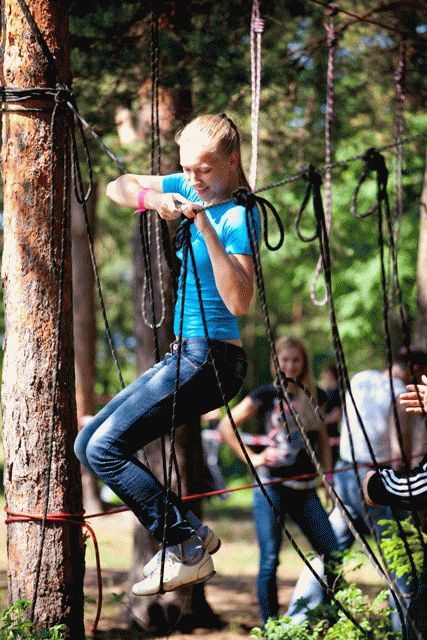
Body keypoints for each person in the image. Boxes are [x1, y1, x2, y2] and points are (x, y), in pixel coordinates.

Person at [74, 113, 260, 596]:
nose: (193, 179)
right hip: (184, 354)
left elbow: (240, 302)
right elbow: (119, 185)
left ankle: (187, 543)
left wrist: (208, 231)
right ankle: (188, 536)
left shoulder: (239, 214)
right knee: (87, 443)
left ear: (231, 160)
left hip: (214, 359)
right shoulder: (187, 186)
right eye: (186, 169)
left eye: (203, 170)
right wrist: (157, 200)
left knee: (103, 448)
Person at [218, 335, 339, 624]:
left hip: (306, 490)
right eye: (285, 359)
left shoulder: (315, 395)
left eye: (296, 360)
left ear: (304, 363)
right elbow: (226, 426)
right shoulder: (265, 394)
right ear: (277, 362)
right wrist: (254, 457)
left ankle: (330, 617)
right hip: (270, 488)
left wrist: (328, 477)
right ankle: (271, 626)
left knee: (332, 554)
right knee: (270, 560)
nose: (291, 365)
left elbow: (322, 439)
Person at [286, 356, 413, 630]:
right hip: (376, 481)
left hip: (346, 473)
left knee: (328, 552)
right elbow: (399, 454)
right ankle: (406, 629)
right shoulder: (399, 392)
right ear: (414, 372)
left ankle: (293, 624)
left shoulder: (360, 379)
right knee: (400, 559)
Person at [320, 363, 342, 465]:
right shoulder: (327, 390)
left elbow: (336, 415)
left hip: (331, 433)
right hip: (324, 432)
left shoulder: (338, 392)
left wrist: (321, 421)